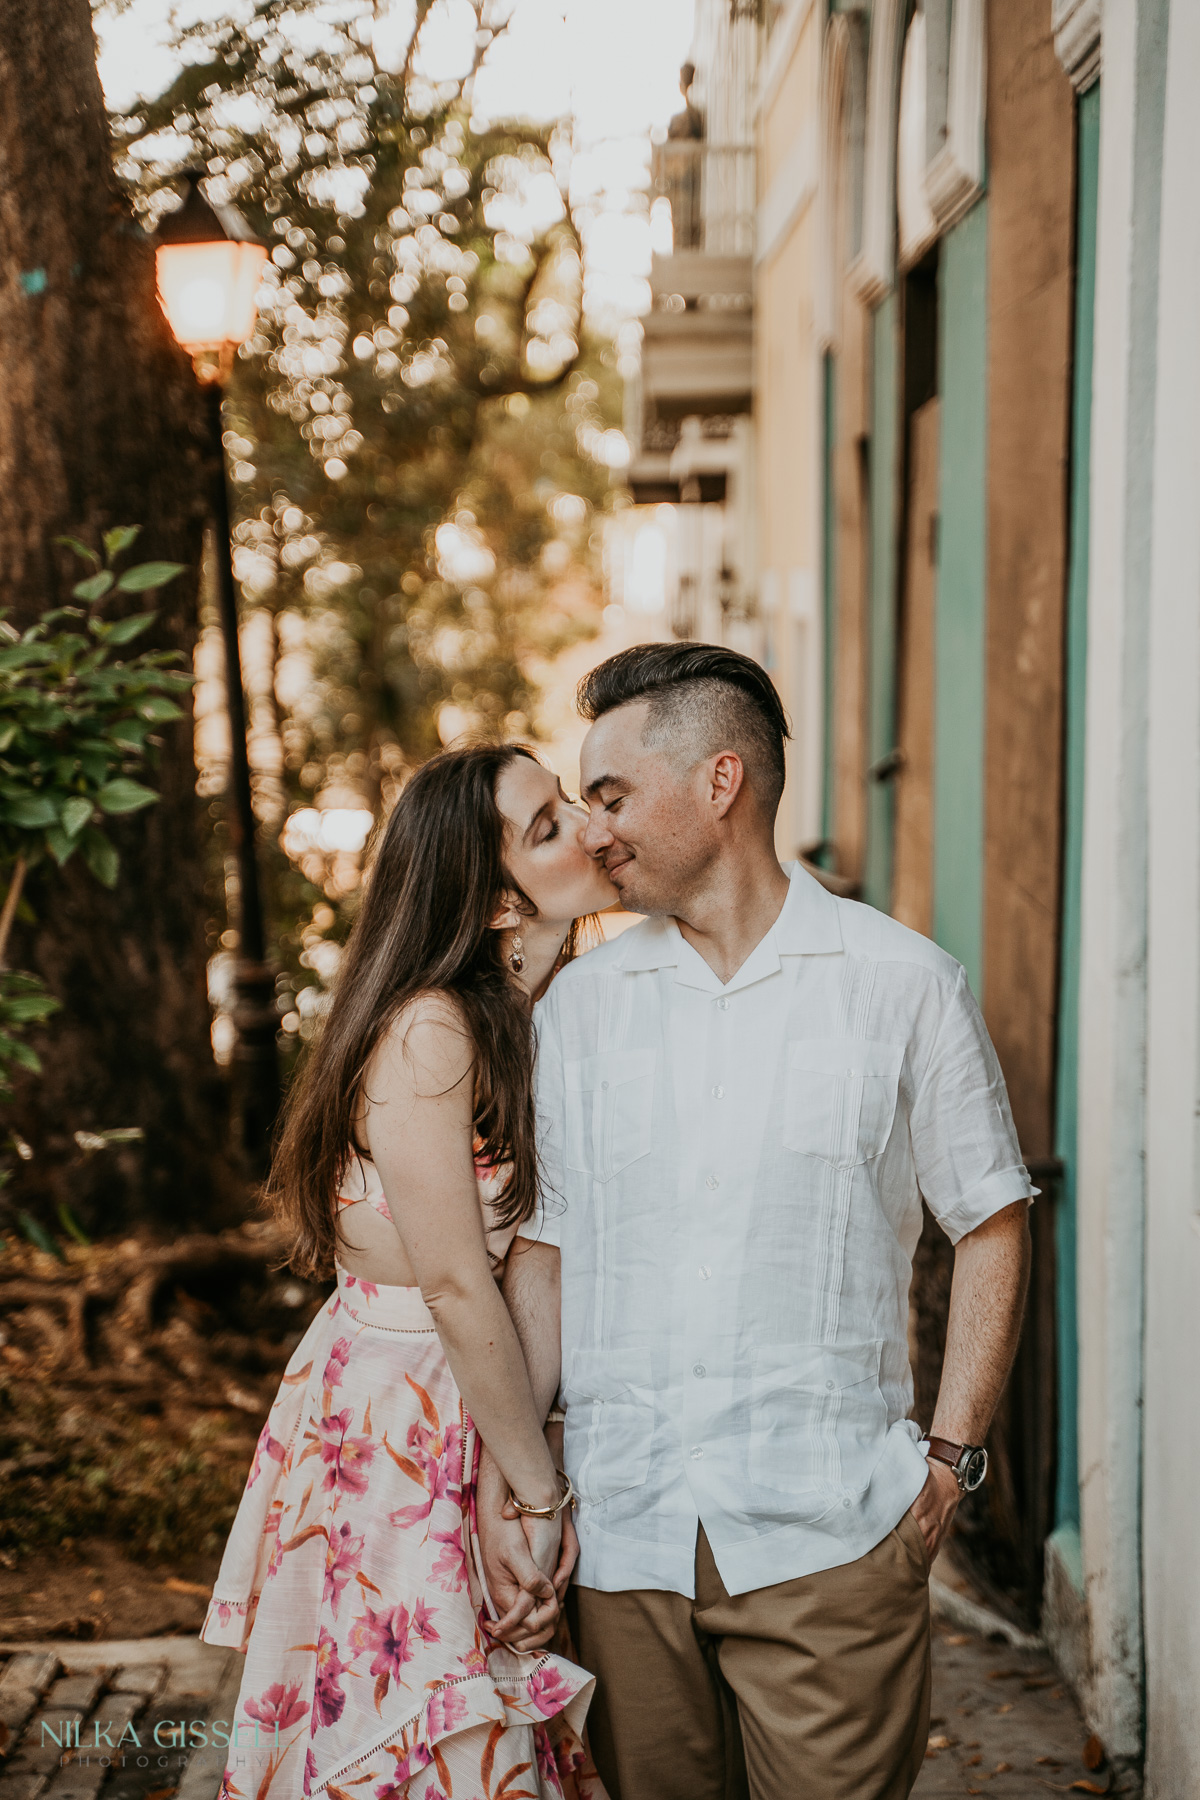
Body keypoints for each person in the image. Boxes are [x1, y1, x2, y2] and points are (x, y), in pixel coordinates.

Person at [477, 642, 1035, 1800]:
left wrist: (948, 1459)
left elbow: (990, 1219)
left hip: (831, 1533)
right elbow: (547, 1253)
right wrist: (525, 1483)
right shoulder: (581, 1011)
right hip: (625, 1537)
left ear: (720, 783)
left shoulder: (906, 984)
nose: (592, 831)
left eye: (614, 795)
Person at [199, 744, 616, 1800]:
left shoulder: (545, 1008)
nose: (589, 825)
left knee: (489, 1717)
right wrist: (535, 1495)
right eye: (549, 826)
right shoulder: (432, 1028)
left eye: (566, 804)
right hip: (404, 1415)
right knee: (418, 1723)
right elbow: (455, 1283)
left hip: (484, 1386)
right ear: (492, 904)